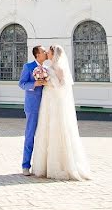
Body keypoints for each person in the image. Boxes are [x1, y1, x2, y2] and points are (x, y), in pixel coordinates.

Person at [29, 44, 91, 180]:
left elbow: (63, 86)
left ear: (54, 54)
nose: (47, 54)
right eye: (46, 52)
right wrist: (43, 80)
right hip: (47, 102)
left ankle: (60, 165)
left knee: (57, 130)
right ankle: (44, 165)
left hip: (56, 102)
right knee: (46, 130)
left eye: (49, 52)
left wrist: (47, 83)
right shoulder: (47, 68)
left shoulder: (60, 68)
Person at [18, 45, 47, 176]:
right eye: (43, 51)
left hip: (46, 105)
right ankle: (25, 165)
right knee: (30, 135)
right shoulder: (28, 67)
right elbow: (22, 84)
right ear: (37, 55)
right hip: (32, 105)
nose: (45, 53)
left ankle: (42, 164)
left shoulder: (47, 69)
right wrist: (34, 84)